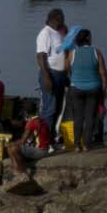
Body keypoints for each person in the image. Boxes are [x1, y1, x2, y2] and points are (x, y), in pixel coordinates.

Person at [65, 28, 107, 152]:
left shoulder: (72, 53)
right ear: (88, 38)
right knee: (90, 117)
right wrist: (105, 87)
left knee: (78, 117)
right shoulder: (96, 52)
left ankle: (77, 145)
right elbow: (103, 72)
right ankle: (87, 145)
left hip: (76, 88)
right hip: (94, 88)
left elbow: (66, 68)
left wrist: (72, 77)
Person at [35, 8, 69, 141]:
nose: (64, 21)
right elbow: (41, 56)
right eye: (62, 18)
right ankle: (44, 141)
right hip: (50, 75)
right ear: (56, 18)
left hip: (60, 76)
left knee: (58, 108)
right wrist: (46, 76)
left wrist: (66, 75)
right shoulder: (45, 33)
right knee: (49, 109)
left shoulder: (57, 33)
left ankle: (51, 138)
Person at [7, 100, 53, 172]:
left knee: (12, 149)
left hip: (40, 151)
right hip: (46, 149)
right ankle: (19, 168)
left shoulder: (31, 122)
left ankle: (20, 172)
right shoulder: (42, 120)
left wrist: (10, 144)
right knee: (14, 148)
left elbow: (22, 141)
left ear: (26, 112)